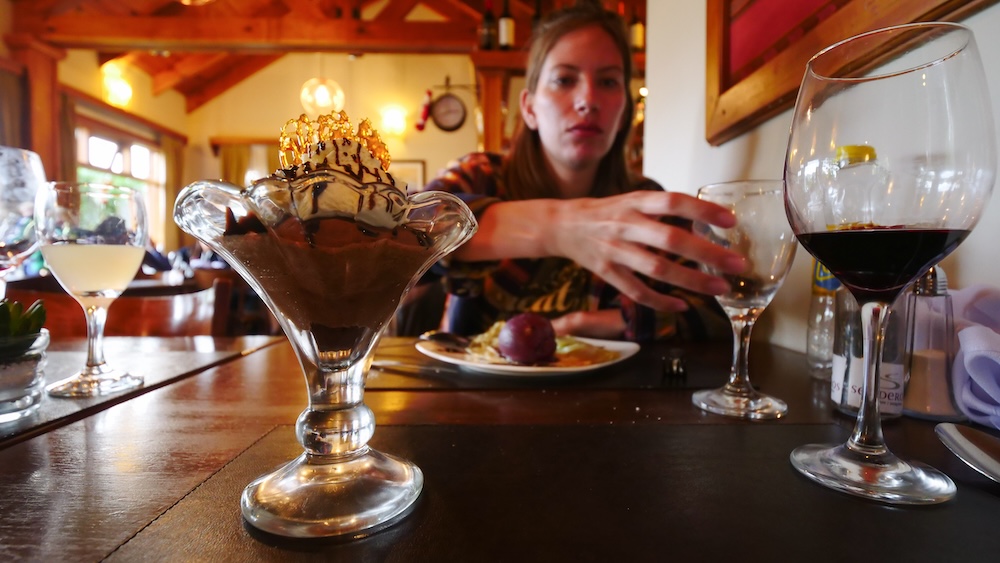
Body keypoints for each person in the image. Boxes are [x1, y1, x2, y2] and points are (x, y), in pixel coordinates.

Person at [422, 0, 746, 343]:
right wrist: (557, 228)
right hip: (467, 377)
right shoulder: (481, 176)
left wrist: (589, 322)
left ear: (624, 112)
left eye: (608, 82)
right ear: (529, 108)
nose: (588, 100)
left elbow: (716, 314)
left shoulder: (645, 204)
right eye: (564, 79)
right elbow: (403, 231)